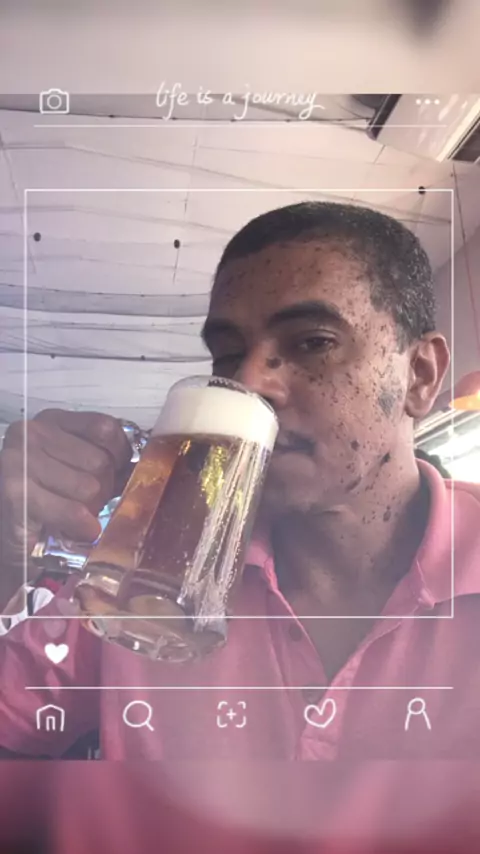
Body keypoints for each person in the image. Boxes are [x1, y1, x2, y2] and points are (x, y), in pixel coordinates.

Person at [0, 202, 480, 849]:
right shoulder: (144, 580)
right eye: (228, 353)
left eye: (312, 342)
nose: (249, 382)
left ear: (420, 376)